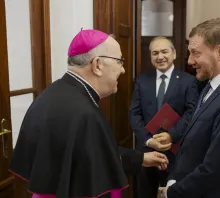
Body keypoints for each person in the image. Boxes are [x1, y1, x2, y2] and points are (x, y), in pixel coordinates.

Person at [9, 29, 169, 198]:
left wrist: (139, 159)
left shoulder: (52, 94)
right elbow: (94, 180)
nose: (122, 70)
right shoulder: (85, 114)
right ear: (97, 65)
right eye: (120, 61)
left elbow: (92, 154)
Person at [158, 18, 220, 198]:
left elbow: (215, 169)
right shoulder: (209, 86)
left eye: (196, 53)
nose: (189, 61)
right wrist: (174, 178)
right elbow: (192, 142)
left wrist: (172, 192)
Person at [129, 36, 198, 198]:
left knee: (174, 193)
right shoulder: (142, 80)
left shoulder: (189, 81)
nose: (160, 57)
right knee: (145, 193)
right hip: (146, 151)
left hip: (176, 151)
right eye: (155, 53)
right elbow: (134, 113)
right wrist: (148, 140)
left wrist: (171, 135)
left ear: (174, 54)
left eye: (164, 51)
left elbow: (191, 113)